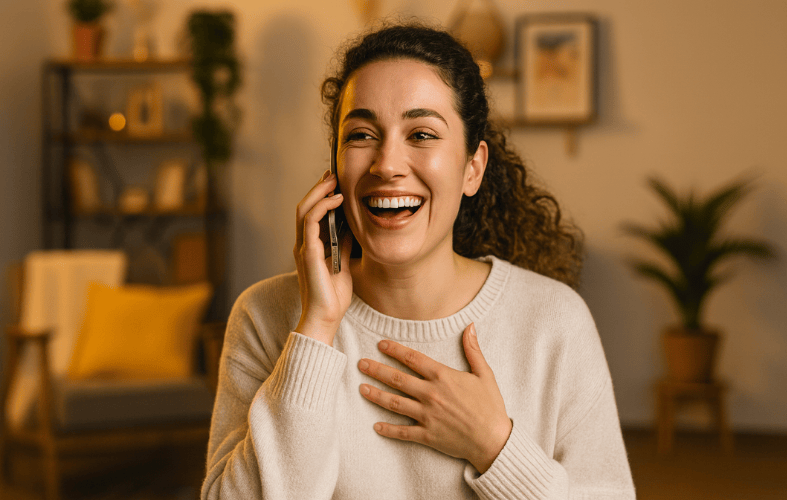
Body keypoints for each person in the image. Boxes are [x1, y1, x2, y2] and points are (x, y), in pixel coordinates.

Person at [201, 22, 635, 500]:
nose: (387, 164)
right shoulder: (265, 316)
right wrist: (317, 328)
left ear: (473, 168)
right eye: (362, 134)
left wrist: (494, 446)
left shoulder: (555, 321)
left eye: (422, 134)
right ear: (335, 169)